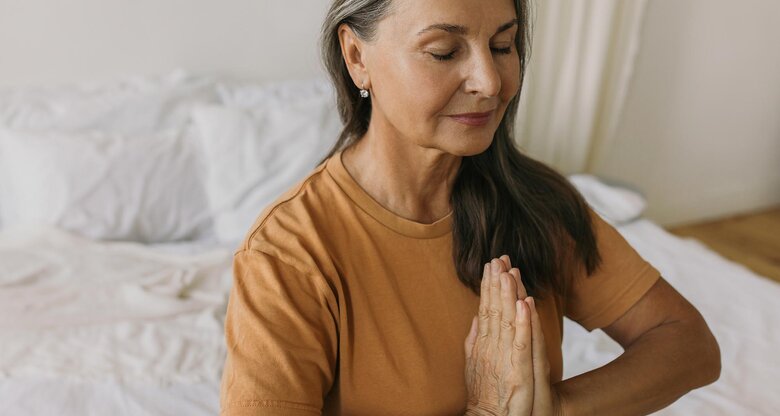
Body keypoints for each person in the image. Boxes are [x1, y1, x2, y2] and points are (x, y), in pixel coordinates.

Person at [219, 0, 721, 414]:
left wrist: (546, 408)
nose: (490, 80)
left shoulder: (536, 204)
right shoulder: (287, 256)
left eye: (502, 45)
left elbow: (688, 343)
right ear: (356, 56)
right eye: (443, 52)